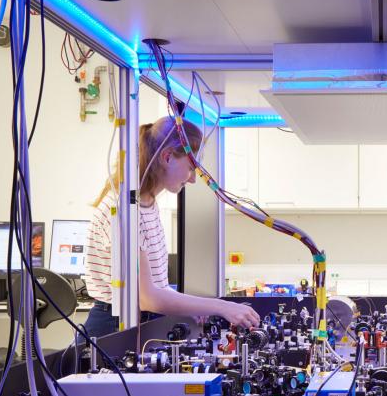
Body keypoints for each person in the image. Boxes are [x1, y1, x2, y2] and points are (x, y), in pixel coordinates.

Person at [83, 116, 260, 338]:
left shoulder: (147, 204)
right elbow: (148, 297)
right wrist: (222, 307)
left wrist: (193, 308)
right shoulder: (123, 210)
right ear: (167, 157)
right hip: (112, 331)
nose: (193, 179)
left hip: (140, 324)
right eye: (190, 167)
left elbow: (158, 287)